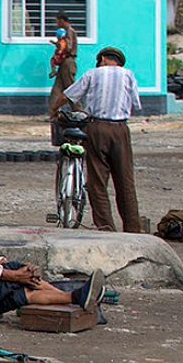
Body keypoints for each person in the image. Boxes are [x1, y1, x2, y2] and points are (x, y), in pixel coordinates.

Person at [0, 184, 105, 318]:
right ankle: (74, 296)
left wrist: (8, 264)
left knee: (19, 277)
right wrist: (16, 275)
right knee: (20, 284)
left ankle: (75, 296)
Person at [50, 46, 142, 233]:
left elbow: (67, 95)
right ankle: (133, 229)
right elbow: (136, 104)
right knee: (125, 181)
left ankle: (106, 228)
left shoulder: (93, 74)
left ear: (104, 59)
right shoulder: (128, 75)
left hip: (97, 128)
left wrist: (53, 110)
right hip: (120, 129)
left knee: (97, 182)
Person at [47, 11, 79, 114]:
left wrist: (60, 47)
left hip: (68, 62)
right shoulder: (64, 32)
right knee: (57, 89)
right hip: (63, 62)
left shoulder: (69, 31)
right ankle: (53, 112)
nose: (57, 23)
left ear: (61, 20)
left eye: (57, 21)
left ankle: (79, 111)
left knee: (71, 88)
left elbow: (68, 47)